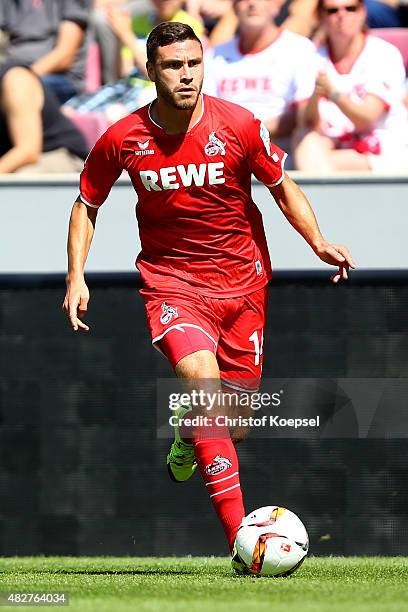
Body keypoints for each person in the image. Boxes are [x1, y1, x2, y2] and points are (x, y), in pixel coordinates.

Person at [62, 22, 355, 567]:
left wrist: (318, 242)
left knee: (232, 426)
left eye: (193, 63)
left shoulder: (239, 124)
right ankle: (243, 549)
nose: (186, 75)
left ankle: (186, 427)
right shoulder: (122, 137)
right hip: (172, 283)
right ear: (149, 72)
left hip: (243, 286)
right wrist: (76, 275)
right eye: (173, 66)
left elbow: (281, 185)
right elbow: (87, 204)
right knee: (202, 383)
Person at [293, 0, 408, 172]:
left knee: (311, 158)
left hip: (380, 154)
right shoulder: (310, 58)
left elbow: (366, 119)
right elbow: (307, 122)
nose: (342, 15)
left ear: (363, 12)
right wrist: (316, 95)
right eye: (332, 11)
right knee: (306, 139)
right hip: (329, 149)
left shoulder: (383, 54)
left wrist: (333, 94)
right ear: (321, 16)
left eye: (350, 8)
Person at [203, 0, 317, 161]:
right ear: (234, 8)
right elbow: (207, 114)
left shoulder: (299, 49)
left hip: (283, 154)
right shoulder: (216, 55)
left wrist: (248, 133)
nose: (252, 3)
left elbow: (303, 117)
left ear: (276, 6)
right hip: (227, 154)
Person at [0, 62, 88, 174]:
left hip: (61, 156)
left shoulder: (16, 80)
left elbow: (27, 151)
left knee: (21, 179)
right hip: (25, 159)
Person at [0, 0, 91, 104]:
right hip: (15, 73)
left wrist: (22, 76)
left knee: (18, 88)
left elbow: (64, 56)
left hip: (59, 78)